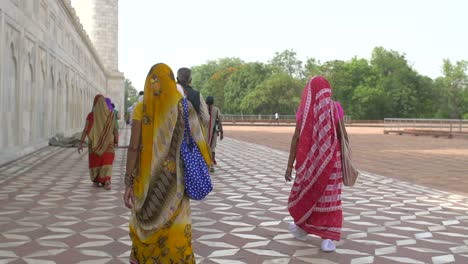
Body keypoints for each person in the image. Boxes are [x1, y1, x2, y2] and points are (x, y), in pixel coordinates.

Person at [123, 63, 211, 263]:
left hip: (145, 183)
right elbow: (199, 141)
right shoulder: (184, 107)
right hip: (175, 184)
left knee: (145, 226)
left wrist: (128, 182)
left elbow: (133, 147)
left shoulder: (140, 108)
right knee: (175, 228)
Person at [284, 76, 344, 252]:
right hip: (332, 163)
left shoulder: (304, 110)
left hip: (309, 164)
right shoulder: (335, 108)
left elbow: (296, 137)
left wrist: (289, 165)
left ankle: (302, 228)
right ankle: (328, 238)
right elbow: (343, 135)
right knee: (329, 199)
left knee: (308, 195)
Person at [78, 94, 118, 190]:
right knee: (107, 162)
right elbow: (115, 130)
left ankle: (96, 180)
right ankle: (107, 180)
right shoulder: (110, 115)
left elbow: (85, 129)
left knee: (95, 162)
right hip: (108, 144)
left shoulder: (91, 115)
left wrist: (81, 143)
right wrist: (116, 141)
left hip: (94, 145)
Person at [176, 68, 209, 136]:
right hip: (191, 137)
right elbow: (206, 118)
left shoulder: (169, 94)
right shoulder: (197, 95)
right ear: (190, 80)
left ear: (177, 79)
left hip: (173, 139)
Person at [206, 96, 224, 172]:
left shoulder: (203, 109)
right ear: (213, 102)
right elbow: (219, 121)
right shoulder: (216, 110)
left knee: (205, 147)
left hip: (204, 133)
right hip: (213, 133)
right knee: (212, 148)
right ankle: (211, 165)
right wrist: (221, 132)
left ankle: (206, 164)